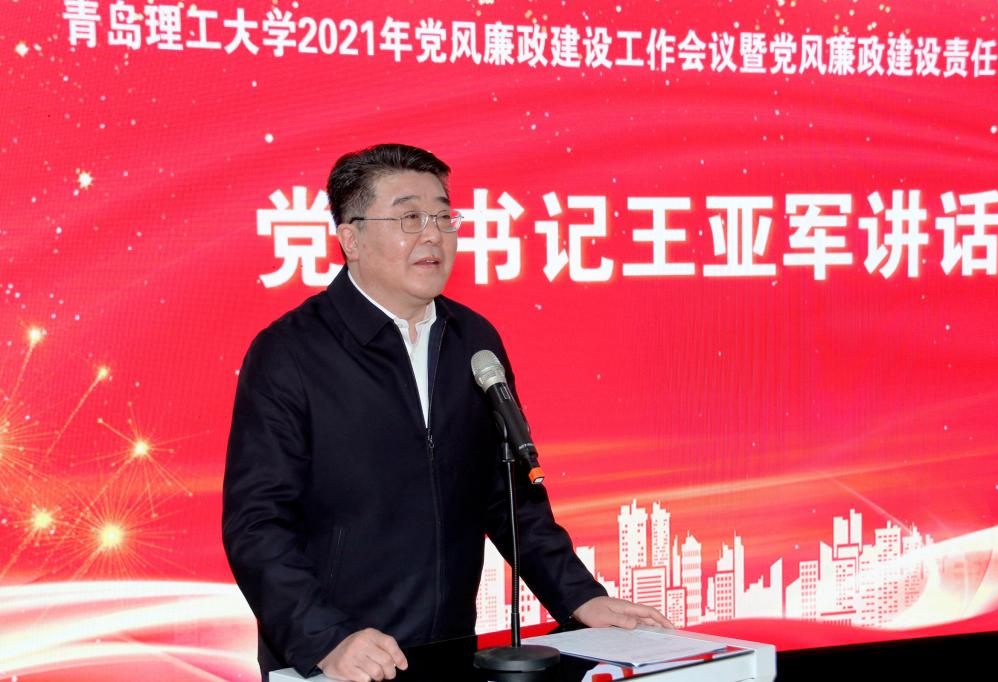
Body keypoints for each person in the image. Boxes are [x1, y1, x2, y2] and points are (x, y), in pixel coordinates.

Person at [222, 144, 671, 682]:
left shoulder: (473, 341)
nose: (433, 235)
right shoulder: (291, 352)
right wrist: (326, 638)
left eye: (443, 216)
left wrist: (580, 598)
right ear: (351, 239)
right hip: (339, 662)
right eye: (409, 217)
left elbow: (510, 497)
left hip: (451, 652)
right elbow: (257, 524)